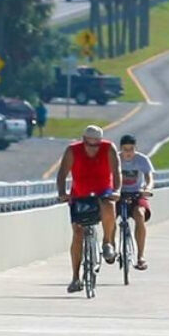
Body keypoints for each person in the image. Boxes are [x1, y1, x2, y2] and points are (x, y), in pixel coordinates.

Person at [54, 124, 118, 293]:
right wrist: (62, 193)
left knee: (109, 205)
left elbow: (116, 171)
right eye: (89, 144)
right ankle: (75, 277)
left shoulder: (109, 148)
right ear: (83, 141)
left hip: (103, 190)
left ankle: (107, 242)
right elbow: (62, 173)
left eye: (96, 144)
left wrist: (117, 190)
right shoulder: (72, 151)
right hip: (80, 193)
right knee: (77, 233)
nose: (93, 148)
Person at [116, 134, 156, 271]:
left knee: (139, 214)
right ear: (121, 149)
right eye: (125, 149)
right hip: (118, 193)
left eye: (131, 149)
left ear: (135, 148)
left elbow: (149, 177)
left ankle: (140, 256)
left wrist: (148, 188)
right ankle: (108, 244)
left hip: (136, 193)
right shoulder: (115, 159)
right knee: (107, 214)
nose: (128, 153)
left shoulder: (142, 160)